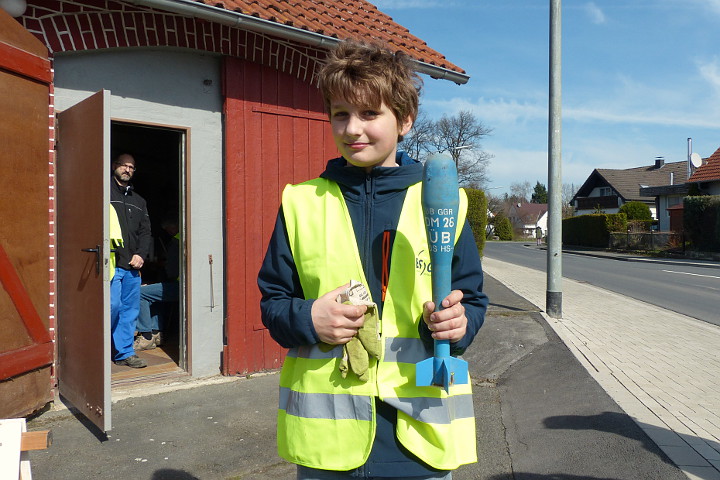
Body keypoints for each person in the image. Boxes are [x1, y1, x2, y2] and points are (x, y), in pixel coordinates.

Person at [257, 40, 488, 480]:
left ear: (405, 121)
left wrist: (461, 324)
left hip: (421, 434)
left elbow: (472, 299)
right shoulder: (301, 203)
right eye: (340, 113)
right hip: (328, 444)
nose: (352, 128)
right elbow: (273, 302)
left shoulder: (445, 204)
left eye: (369, 114)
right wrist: (309, 318)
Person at [110, 153, 152, 368]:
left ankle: (124, 353)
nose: (127, 169)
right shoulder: (104, 192)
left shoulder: (139, 201)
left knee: (130, 311)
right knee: (112, 306)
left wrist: (141, 255)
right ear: (114, 166)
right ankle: (100, 349)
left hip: (132, 266)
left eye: (131, 167)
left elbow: (146, 233)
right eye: (124, 166)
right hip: (110, 265)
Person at [134, 216, 180, 351]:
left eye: (168, 229)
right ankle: (156, 333)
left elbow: (171, 271)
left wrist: (161, 265)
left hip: (179, 287)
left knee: (141, 293)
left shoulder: (176, 242)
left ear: (173, 226)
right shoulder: (186, 238)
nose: (168, 232)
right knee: (153, 296)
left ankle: (146, 336)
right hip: (184, 285)